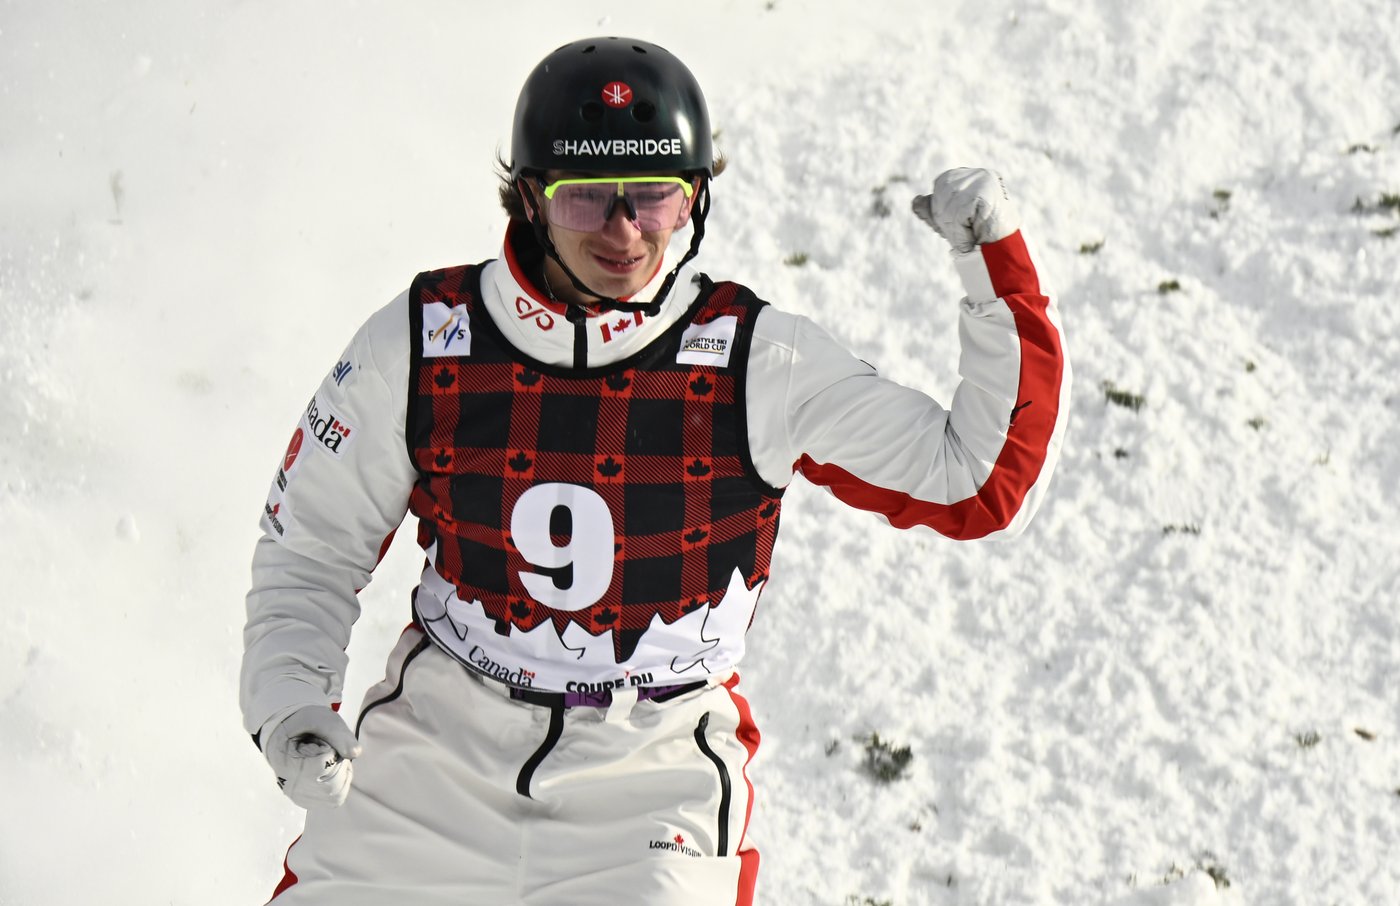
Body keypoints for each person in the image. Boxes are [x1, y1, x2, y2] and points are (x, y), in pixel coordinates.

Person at [241, 35, 1069, 906]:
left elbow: (976, 482)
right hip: (434, 758)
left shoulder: (754, 360)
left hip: (650, 772)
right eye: (587, 198)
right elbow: (312, 547)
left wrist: (995, 269)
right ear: (528, 198)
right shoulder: (423, 340)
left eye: (655, 198)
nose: (624, 231)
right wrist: (292, 699)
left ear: (695, 201)